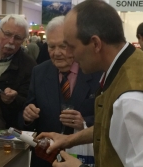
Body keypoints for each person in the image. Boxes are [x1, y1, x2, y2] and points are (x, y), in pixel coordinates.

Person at [37, 1, 143, 167]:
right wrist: (69, 139)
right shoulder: (129, 64)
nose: (69, 54)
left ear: (96, 44)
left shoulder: (130, 99)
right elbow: (113, 128)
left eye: (70, 46)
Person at [22, 16, 101, 167]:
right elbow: (28, 112)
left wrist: (84, 122)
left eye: (63, 46)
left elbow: (109, 119)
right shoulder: (39, 72)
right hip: (46, 158)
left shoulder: (97, 72)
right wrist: (28, 116)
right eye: (51, 47)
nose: (56, 53)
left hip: (84, 159)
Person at [0, 14, 37, 128]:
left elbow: (29, 102)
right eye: (7, 34)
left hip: (5, 128)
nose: (11, 41)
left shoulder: (29, 66)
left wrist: (14, 99)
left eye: (17, 38)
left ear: (23, 40)